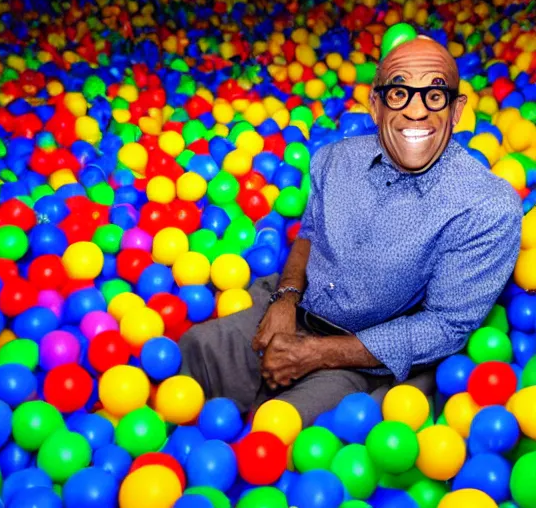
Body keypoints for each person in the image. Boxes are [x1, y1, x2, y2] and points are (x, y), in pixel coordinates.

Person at [178, 36, 523, 426]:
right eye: (399, 93)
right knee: (192, 352)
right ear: (375, 104)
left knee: (280, 431)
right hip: (293, 311)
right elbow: (309, 234)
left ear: (457, 110)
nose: (416, 111)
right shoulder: (335, 159)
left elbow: (445, 326)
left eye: (435, 95)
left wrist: (316, 354)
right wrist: (285, 301)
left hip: (364, 360)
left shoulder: (486, 206)